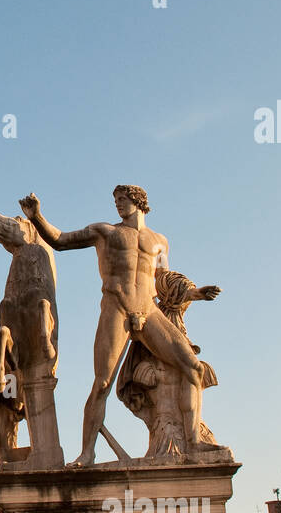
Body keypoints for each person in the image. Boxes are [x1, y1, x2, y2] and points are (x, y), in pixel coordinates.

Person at [19, 185, 219, 467]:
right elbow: (61, 240)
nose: (118, 205)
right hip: (117, 307)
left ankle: (194, 441)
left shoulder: (160, 241)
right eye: (115, 201)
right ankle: (87, 453)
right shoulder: (105, 232)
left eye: (122, 200)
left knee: (194, 368)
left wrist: (194, 293)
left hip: (148, 310)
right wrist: (37, 217)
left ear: (139, 202)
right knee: (101, 383)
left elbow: (162, 279)